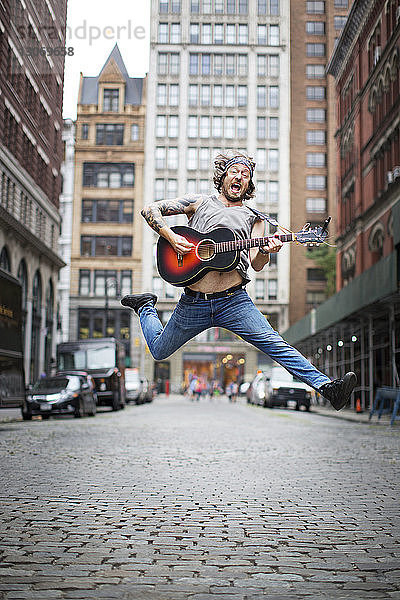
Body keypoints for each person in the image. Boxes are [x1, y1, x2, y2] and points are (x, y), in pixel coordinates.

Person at [121, 152, 356, 411]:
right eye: (235, 171)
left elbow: (256, 263)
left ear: (249, 184)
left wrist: (267, 250)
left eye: (246, 175)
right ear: (223, 177)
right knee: (159, 350)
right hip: (193, 302)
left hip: (234, 301)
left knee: (276, 344)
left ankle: (328, 388)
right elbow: (149, 209)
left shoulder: (256, 218)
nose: (240, 177)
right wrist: (171, 237)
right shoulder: (199, 203)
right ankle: (145, 306)